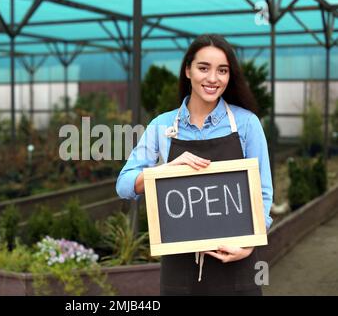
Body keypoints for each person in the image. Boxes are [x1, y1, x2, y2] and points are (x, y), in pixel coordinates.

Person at [116, 34, 273, 296]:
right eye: (203, 68)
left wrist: (248, 246)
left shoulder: (247, 124)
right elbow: (123, 185)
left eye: (222, 71)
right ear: (188, 70)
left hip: (236, 265)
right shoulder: (161, 127)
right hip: (179, 272)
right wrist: (163, 171)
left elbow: (263, 193)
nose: (213, 78)